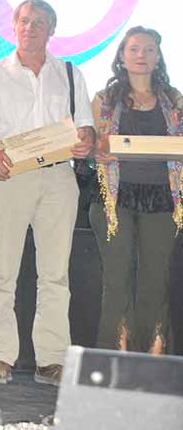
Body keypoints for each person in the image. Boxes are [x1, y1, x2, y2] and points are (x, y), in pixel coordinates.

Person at [0, 0, 95, 385]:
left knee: (55, 274)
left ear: (51, 30)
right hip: (9, 176)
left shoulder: (70, 73)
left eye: (39, 22)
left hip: (59, 177)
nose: (30, 28)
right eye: (25, 21)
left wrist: (87, 139)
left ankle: (51, 361)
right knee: (2, 271)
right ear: (14, 26)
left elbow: (86, 127)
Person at [90, 26, 182, 354]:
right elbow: (88, 145)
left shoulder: (176, 101)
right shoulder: (103, 100)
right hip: (114, 200)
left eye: (149, 49)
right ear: (122, 56)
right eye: (134, 49)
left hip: (163, 199)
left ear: (158, 58)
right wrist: (95, 150)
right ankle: (115, 356)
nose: (141, 55)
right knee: (116, 281)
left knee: (157, 281)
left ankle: (155, 359)